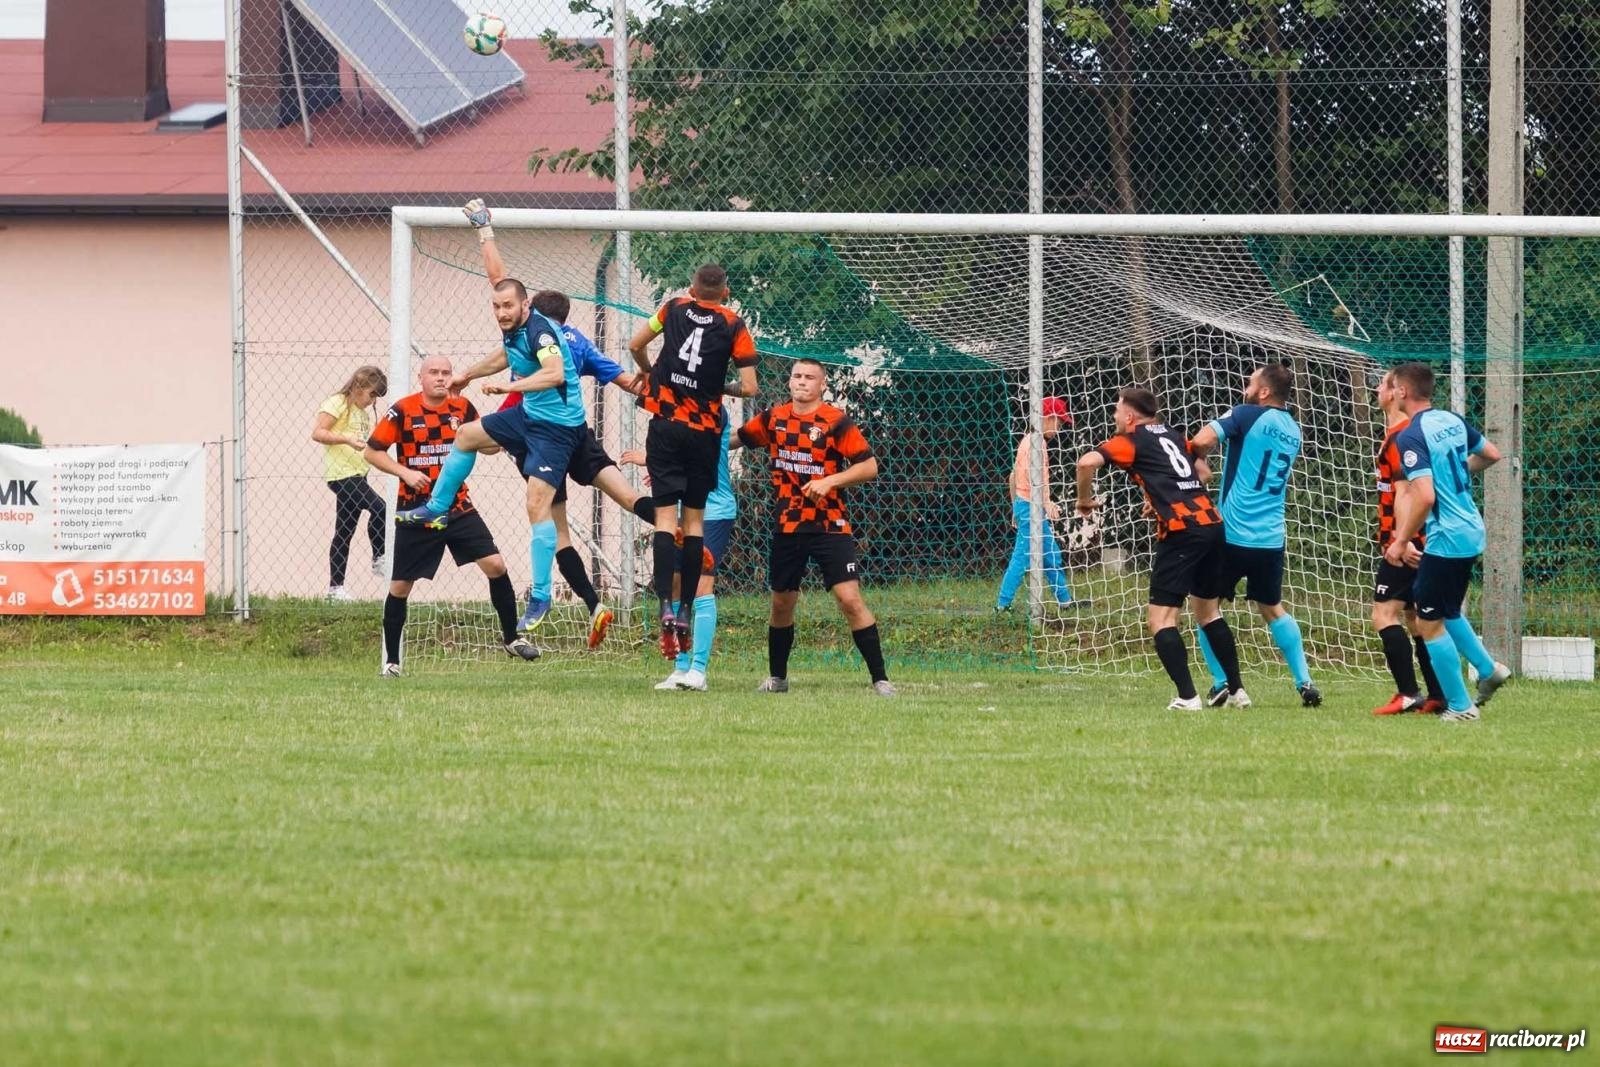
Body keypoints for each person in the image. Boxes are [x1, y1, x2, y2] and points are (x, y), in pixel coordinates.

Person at [395, 200, 587, 640]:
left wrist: (506, 388)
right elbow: (498, 281)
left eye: (507, 307)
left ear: (525, 307)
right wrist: (484, 229)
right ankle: (438, 508)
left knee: (536, 506)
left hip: (557, 430)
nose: (501, 312)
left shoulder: (539, 330)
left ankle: (541, 594)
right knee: (465, 435)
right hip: (528, 416)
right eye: (496, 306)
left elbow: (554, 372)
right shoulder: (511, 317)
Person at [472, 284, 657, 649]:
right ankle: (675, 525)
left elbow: (498, 438)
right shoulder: (581, 343)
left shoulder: (529, 339)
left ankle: (590, 603)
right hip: (577, 434)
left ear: (531, 310)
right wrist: (665, 401)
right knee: (627, 495)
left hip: (539, 439)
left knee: (557, 532)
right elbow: (622, 379)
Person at [363, 355, 539, 676]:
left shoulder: (463, 409)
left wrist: (504, 431)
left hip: (458, 507)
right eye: (434, 372)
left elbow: (486, 446)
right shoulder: (403, 410)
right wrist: (404, 472)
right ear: (421, 378)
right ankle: (391, 662)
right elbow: (372, 451)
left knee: (496, 565)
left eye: (446, 372)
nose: (441, 378)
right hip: (417, 510)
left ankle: (511, 638)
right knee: (401, 586)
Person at [1076, 386, 1245, 711]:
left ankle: (1187, 697)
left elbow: (1086, 463)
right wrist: (1164, 498)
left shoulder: (1130, 440)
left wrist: (1083, 500)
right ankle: (1238, 691)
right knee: (1209, 612)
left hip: (1182, 532)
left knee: (1161, 619)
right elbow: (1202, 473)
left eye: (1116, 410)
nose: (1114, 416)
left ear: (1129, 415)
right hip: (1211, 523)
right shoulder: (1173, 434)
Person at [737, 359, 894, 697]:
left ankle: (881, 680)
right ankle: (778, 679)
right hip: (788, 525)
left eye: (809, 377)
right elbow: (736, 439)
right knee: (781, 603)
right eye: (796, 376)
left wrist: (832, 481)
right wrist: (692, 443)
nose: (801, 382)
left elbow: (869, 466)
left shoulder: (836, 421)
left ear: (822, 384)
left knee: (849, 598)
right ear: (789, 382)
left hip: (830, 526)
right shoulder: (774, 418)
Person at [629, 263, 759, 659]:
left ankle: (665, 606)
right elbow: (751, 386)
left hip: (666, 426)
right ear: (726, 291)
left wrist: (652, 374)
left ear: (691, 288)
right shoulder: (735, 324)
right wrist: (718, 386)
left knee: (666, 521)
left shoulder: (671, 308)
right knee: (694, 523)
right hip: (703, 431)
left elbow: (636, 344)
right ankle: (686, 609)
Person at [1188, 363, 1322, 708]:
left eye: (1251, 383)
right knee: (1273, 608)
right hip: (1271, 537)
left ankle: (1222, 683)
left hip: (1232, 533)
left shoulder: (1247, 414)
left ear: (1264, 391)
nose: (1246, 387)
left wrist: (1200, 462)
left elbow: (1200, 440)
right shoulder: (1294, 429)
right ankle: (1304, 681)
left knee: (1204, 605)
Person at [1384, 361, 1511, 722]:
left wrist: (1400, 540)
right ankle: (1488, 671)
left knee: (1428, 620)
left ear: (1403, 392)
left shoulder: (1411, 435)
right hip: (1471, 528)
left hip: (1448, 535)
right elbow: (1491, 454)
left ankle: (1460, 706)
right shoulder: (1451, 420)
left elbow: (1423, 497)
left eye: (1393, 388)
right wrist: (1454, 474)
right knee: (1447, 609)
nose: (1391, 394)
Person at [625, 406, 737, 692]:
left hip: (711, 511)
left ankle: (699, 671)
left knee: (700, 586)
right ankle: (681, 668)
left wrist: (651, 460)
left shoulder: (714, 410)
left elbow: (697, 456)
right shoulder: (670, 410)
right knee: (674, 586)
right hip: (673, 512)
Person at [1369, 369, 1447, 716]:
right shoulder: (1402, 434)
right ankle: (1436, 695)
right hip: (1418, 539)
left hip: (1407, 542)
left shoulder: (1401, 437)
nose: (1376, 388)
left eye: (1382, 383)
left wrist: (1403, 540)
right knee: (1417, 618)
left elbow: (1411, 492)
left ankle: (1407, 692)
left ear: (1395, 393)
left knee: (1384, 614)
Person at [312, 365, 388, 601]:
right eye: (372, 394)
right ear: (359, 386)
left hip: (358, 474)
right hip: (342, 476)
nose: (373, 400)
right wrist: (345, 438)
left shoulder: (362, 413)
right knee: (380, 508)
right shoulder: (338, 403)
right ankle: (379, 558)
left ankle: (335, 589)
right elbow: (318, 432)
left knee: (343, 532)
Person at [995, 395, 1076, 612]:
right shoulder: (1036, 443)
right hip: (1031, 508)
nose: (1059, 428)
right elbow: (1033, 479)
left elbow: (1013, 476)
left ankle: (1065, 601)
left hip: (1026, 506)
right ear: (1048, 418)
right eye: (1059, 422)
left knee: (1051, 555)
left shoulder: (1028, 439)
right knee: (1021, 558)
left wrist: (1014, 507)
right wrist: (1046, 501)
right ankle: (1002, 606)